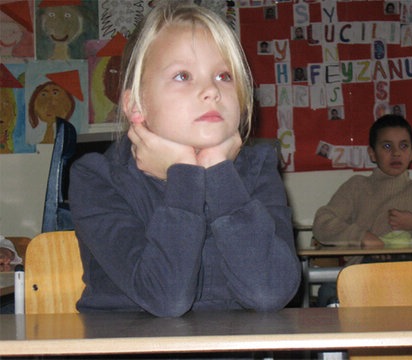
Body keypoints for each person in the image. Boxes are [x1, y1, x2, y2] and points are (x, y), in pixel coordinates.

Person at [69, 1, 301, 318]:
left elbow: (268, 292)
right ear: (137, 104)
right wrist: (185, 176)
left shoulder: (258, 168)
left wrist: (219, 172)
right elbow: (165, 298)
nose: (210, 91)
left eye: (223, 76)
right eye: (182, 75)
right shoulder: (96, 178)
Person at [312, 114, 412, 306]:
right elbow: (322, 222)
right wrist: (362, 237)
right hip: (364, 276)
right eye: (386, 146)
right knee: (330, 295)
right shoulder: (357, 187)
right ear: (372, 153)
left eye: (403, 146)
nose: (396, 153)